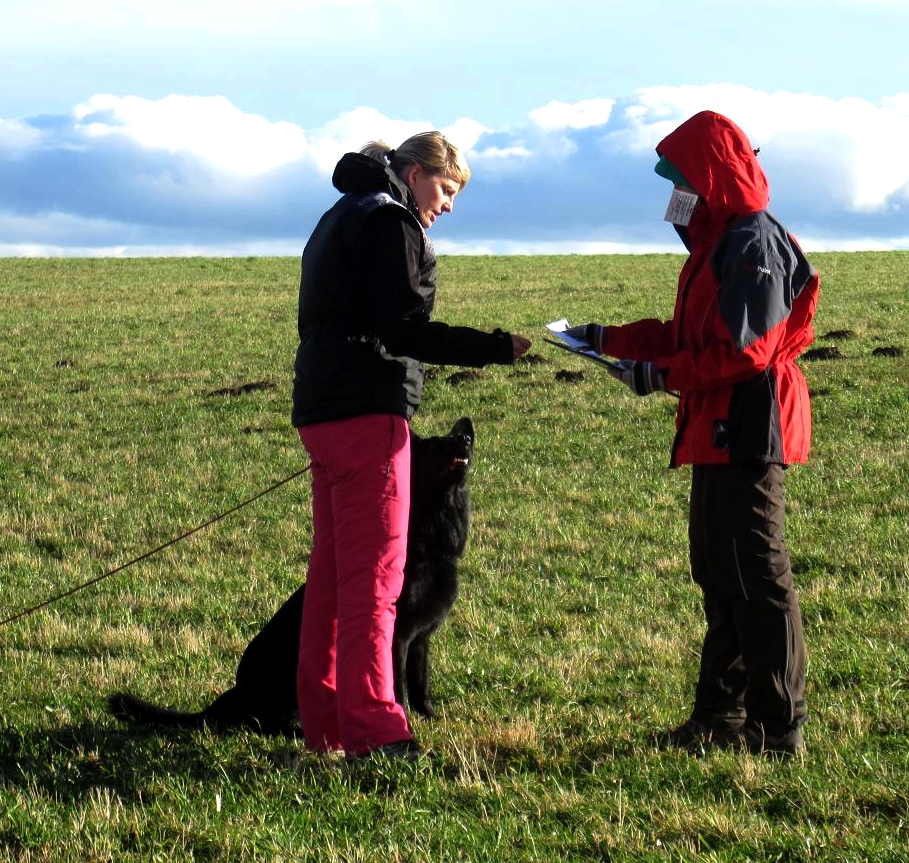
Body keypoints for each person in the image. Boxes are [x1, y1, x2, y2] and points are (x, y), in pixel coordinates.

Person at [567, 110, 818, 757]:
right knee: (718, 571)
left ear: (708, 177)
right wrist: (605, 341)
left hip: (748, 420)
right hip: (715, 422)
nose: (674, 196)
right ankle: (718, 718)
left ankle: (774, 727)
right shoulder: (720, 242)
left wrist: (657, 374)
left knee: (757, 575)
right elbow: (691, 339)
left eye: (680, 180)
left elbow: (747, 352)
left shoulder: (751, 241)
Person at [291, 130, 531, 762]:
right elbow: (404, 328)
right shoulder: (390, 221)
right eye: (447, 189)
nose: (448, 205)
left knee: (333, 577)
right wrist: (491, 347)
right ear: (417, 172)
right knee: (374, 579)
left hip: (322, 407)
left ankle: (326, 725)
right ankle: (376, 731)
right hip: (369, 409)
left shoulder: (339, 215)